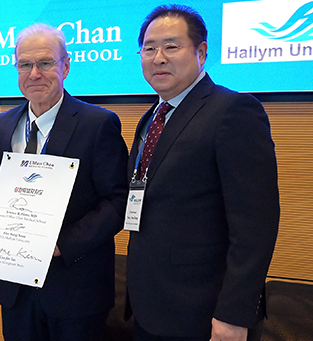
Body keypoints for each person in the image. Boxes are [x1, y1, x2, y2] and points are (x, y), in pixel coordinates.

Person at [126, 5, 280, 341]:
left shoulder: (234, 111)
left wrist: (233, 315)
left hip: (204, 314)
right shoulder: (151, 117)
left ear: (202, 52)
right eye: (149, 48)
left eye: (171, 46)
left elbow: (255, 225)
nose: (158, 58)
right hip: (151, 306)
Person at [0, 23, 129, 341]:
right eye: (25, 64)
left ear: (66, 65)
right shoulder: (1, 125)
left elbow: (118, 202)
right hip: (16, 290)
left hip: (76, 290)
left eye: (45, 63)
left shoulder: (98, 124)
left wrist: (60, 245)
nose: (34, 73)